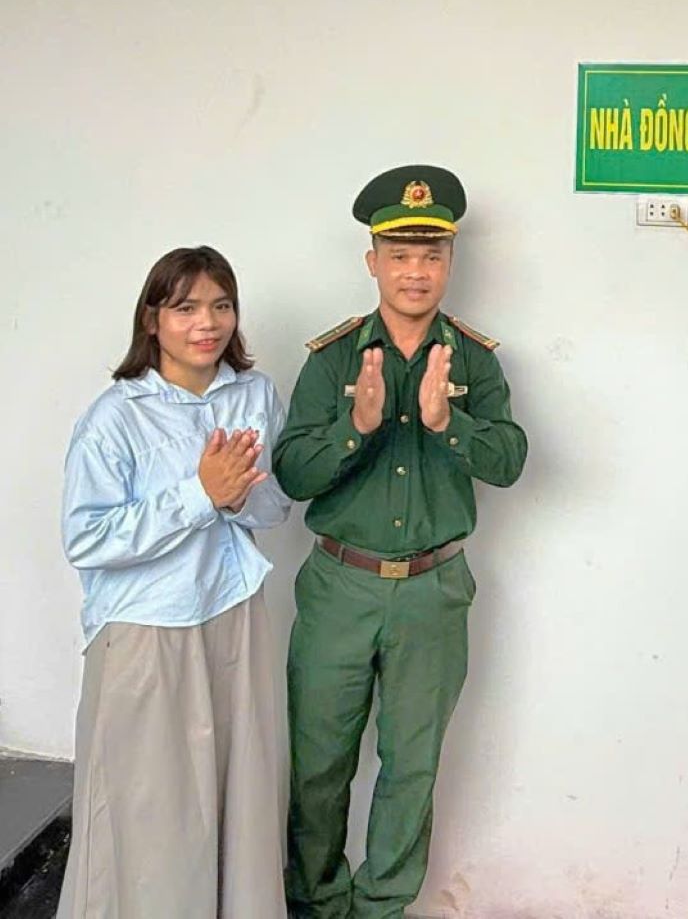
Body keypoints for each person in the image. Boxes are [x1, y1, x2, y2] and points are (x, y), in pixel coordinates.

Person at [274, 164, 528, 918]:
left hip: (432, 591)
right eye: (400, 254)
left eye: (431, 254)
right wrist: (356, 428)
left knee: (411, 765)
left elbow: (511, 461)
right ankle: (315, 904)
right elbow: (290, 471)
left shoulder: (475, 361)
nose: (416, 272)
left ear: (451, 261)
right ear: (372, 261)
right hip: (339, 589)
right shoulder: (334, 358)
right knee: (318, 765)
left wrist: (452, 423)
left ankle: (383, 906)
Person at [58, 245, 291, 917]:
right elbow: (87, 537)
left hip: (235, 618)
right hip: (146, 629)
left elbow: (276, 506)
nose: (206, 323)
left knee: (240, 802)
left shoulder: (255, 395)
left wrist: (240, 497)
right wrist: (199, 494)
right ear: (152, 319)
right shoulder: (116, 416)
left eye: (221, 305)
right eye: (185, 306)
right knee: (150, 816)